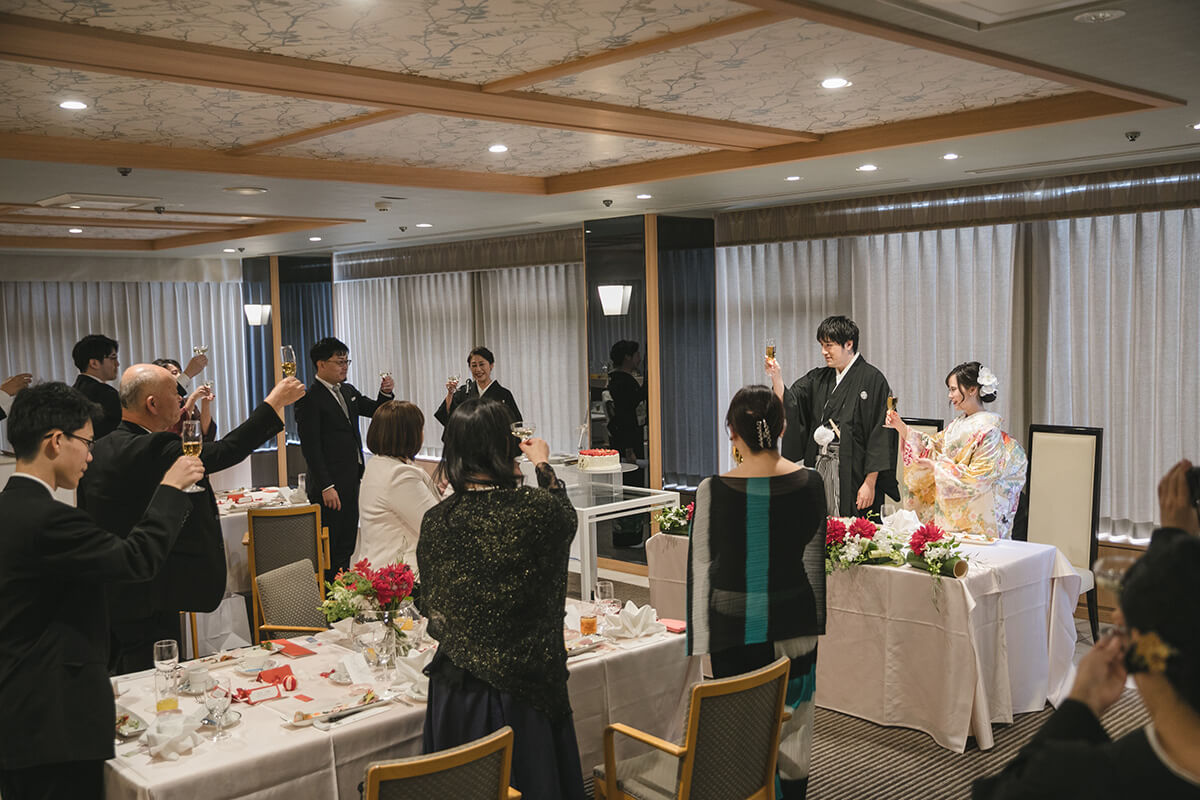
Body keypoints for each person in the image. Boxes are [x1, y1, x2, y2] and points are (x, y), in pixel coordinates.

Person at [0, 382, 203, 800]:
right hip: (52, 719)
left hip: (20, 709)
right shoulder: (49, 520)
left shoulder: (9, 508)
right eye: (86, 443)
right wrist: (170, 488)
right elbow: (136, 560)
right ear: (57, 441)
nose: (90, 455)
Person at [973, 460, 1200, 799]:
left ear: (1129, 634)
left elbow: (999, 792)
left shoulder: (1092, 777)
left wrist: (1080, 704)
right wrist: (1177, 547)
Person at [80, 364, 305, 672]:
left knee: (123, 676)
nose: (181, 400)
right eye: (175, 393)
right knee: (155, 674)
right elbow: (225, 451)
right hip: (151, 591)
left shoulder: (101, 447)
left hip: (110, 587)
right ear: (153, 404)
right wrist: (274, 403)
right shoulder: (156, 446)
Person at [418, 399, 585, 800]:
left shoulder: (439, 520)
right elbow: (565, 519)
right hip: (526, 689)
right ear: (505, 447)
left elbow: (432, 601)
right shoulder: (534, 510)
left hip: (458, 691)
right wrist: (543, 466)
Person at [688, 385, 827, 799]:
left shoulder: (712, 490)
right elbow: (811, 551)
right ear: (783, 427)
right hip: (795, 616)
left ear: (731, 431)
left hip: (731, 625)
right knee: (794, 719)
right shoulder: (811, 483)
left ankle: (744, 789)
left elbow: (703, 564)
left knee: (739, 721)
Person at [769, 315, 897, 518]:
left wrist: (870, 483)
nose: (823, 352)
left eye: (829, 345)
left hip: (855, 472)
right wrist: (776, 377)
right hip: (820, 464)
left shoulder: (873, 380)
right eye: (822, 345)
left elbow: (880, 435)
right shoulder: (818, 378)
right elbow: (791, 402)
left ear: (849, 344)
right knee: (818, 525)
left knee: (853, 533)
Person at [885, 361, 1028, 539]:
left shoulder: (989, 429)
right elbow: (934, 447)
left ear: (972, 390)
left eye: (953, 389)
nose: (949, 395)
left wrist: (937, 468)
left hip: (976, 513)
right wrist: (902, 428)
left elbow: (980, 477)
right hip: (954, 508)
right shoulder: (958, 424)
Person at [295, 336, 394, 580]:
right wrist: (327, 486)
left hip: (351, 480)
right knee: (331, 547)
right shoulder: (310, 399)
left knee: (348, 543)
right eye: (339, 362)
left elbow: (375, 410)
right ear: (321, 364)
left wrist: (385, 393)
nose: (344, 367)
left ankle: (344, 595)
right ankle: (329, 600)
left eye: (346, 361)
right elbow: (311, 448)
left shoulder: (347, 391)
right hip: (329, 487)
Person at [350, 400, 442, 602]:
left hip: (379, 573)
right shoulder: (398, 475)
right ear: (409, 435)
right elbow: (436, 527)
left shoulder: (378, 464)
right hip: (400, 584)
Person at [434, 346, 521, 436]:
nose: (478, 369)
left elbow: (516, 425)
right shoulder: (464, 392)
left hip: (494, 446)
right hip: (467, 445)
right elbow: (449, 416)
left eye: (482, 364)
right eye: (474, 365)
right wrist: (450, 393)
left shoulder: (503, 394)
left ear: (491, 365)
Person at [71, 333, 122, 438]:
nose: (117, 364)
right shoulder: (107, 394)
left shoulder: (73, 391)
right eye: (113, 358)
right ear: (94, 363)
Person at [153, 358, 216, 440]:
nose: (179, 375)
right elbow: (177, 427)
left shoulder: (185, 401)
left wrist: (205, 403)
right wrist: (192, 399)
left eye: (180, 372)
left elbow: (205, 432)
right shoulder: (158, 404)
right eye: (174, 373)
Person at [606, 339, 647, 464]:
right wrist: (629, 449)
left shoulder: (619, 379)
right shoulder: (622, 383)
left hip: (628, 437)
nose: (639, 358)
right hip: (628, 440)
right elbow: (625, 416)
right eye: (637, 354)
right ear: (628, 357)